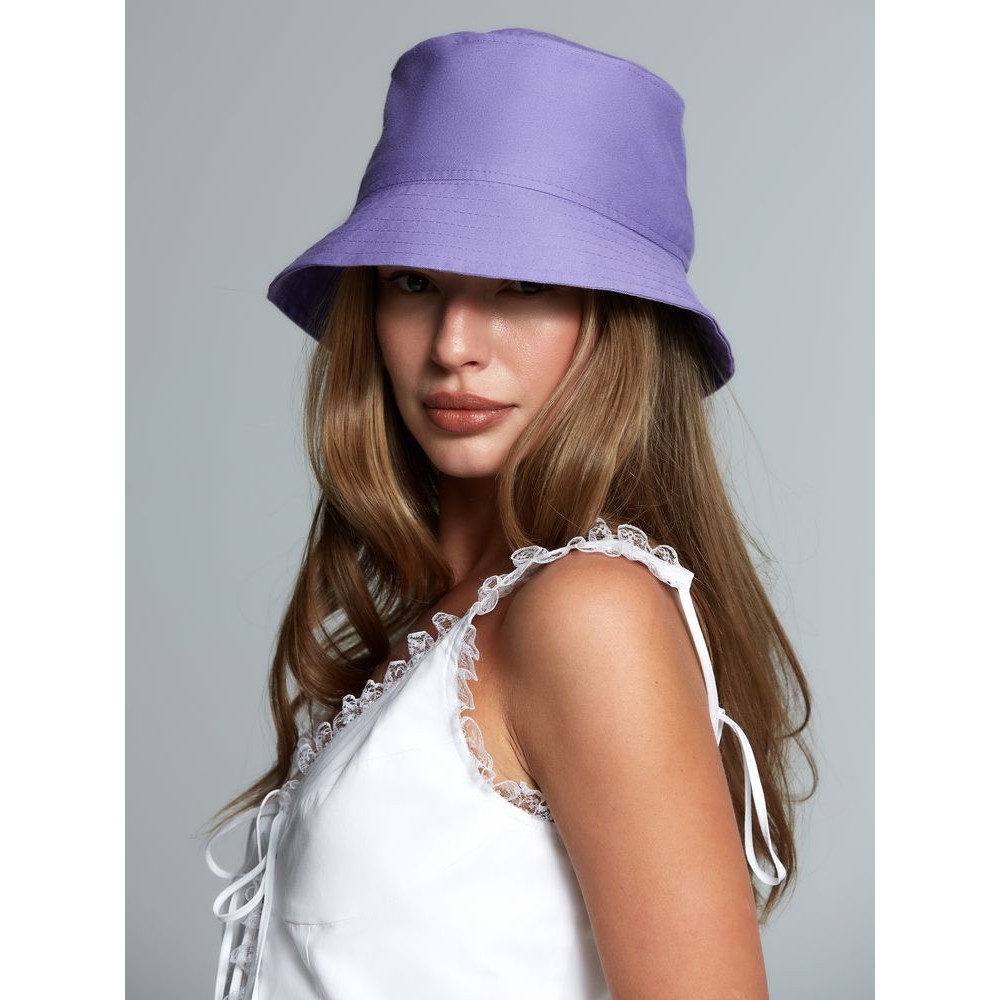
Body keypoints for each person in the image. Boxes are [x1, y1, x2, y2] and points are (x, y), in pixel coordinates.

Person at [207, 27, 813, 1000]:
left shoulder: (586, 612)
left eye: (524, 283)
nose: (454, 343)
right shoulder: (448, 617)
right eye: (414, 281)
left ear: (619, 322)